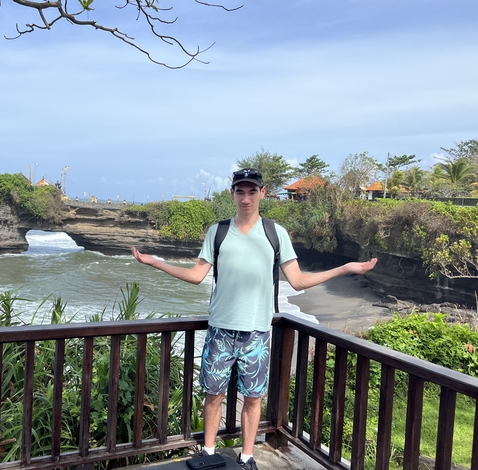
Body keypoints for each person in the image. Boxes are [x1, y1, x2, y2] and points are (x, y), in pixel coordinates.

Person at [131, 168, 377, 470]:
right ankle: (208, 453)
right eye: (240, 191)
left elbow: (297, 281)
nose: (245, 197)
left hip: (258, 333)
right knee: (213, 394)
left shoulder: (276, 233)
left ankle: (247, 458)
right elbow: (197, 275)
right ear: (232, 194)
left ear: (262, 193)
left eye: (252, 191)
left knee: (253, 398)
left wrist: (343, 269)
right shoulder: (218, 231)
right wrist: (156, 262)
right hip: (220, 327)